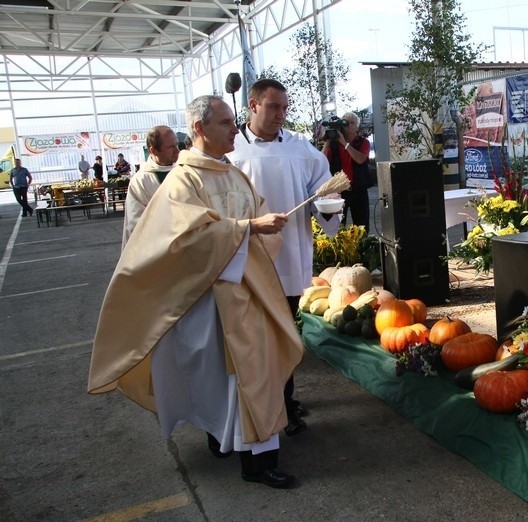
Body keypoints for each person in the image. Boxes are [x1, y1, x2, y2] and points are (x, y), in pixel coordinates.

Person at [88, 95, 303, 488]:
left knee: (251, 376)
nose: (234, 129)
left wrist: (261, 227)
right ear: (200, 129)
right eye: (224, 123)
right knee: (232, 380)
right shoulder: (183, 179)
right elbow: (184, 239)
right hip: (210, 301)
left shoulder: (231, 173)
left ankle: (242, 447)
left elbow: (255, 211)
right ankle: (253, 460)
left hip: (248, 289)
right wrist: (249, 229)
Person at [229, 78, 341, 437]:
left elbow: (321, 189)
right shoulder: (232, 151)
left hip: (290, 254)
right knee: (253, 338)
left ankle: (284, 401)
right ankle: (257, 406)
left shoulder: (299, 148)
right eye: (274, 107)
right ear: (253, 105)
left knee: (285, 333)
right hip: (248, 257)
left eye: (284, 108)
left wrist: (328, 205)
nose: (281, 114)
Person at [122, 125, 181, 247]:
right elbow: (136, 223)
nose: (177, 150)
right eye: (171, 147)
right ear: (153, 151)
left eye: (177, 145)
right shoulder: (140, 181)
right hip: (157, 247)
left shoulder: (183, 171)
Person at [322, 111, 371, 231]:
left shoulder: (363, 142)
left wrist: (344, 143)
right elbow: (321, 161)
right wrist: (327, 142)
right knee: (337, 227)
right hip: (338, 191)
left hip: (358, 189)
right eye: (346, 123)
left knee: (361, 227)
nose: (348, 125)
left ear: (357, 127)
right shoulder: (333, 143)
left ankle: (361, 249)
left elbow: (360, 159)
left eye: (352, 123)